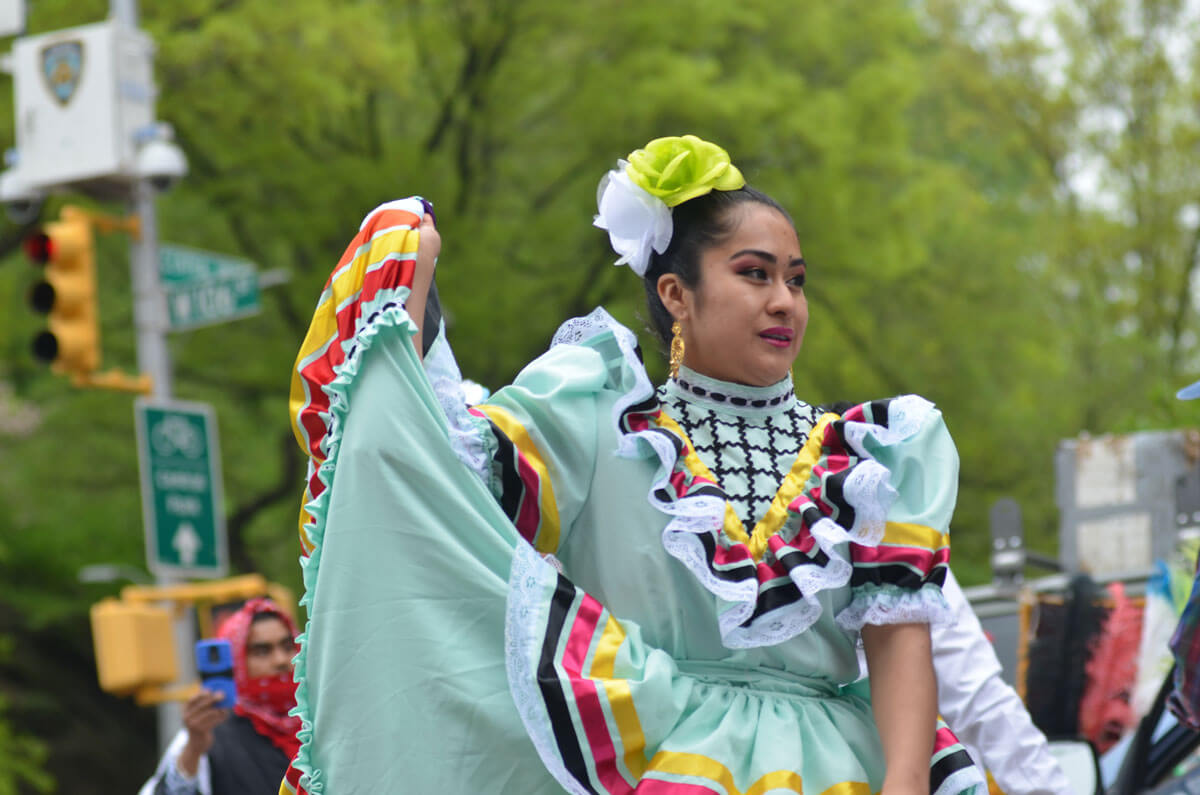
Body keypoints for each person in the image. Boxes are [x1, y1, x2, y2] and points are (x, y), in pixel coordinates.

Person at [282, 135, 987, 795]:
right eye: (754, 273)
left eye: (795, 280)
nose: (783, 301)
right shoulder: (599, 415)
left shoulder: (876, 451)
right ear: (676, 294)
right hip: (648, 749)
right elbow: (446, 479)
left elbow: (900, 643)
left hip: (839, 768)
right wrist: (408, 281)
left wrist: (904, 783)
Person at [140, 598, 300, 795]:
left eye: (287, 646)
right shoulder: (209, 731)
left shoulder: (320, 723)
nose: (281, 660)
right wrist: (194, 749)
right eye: (262, 651)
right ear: (236, 660)